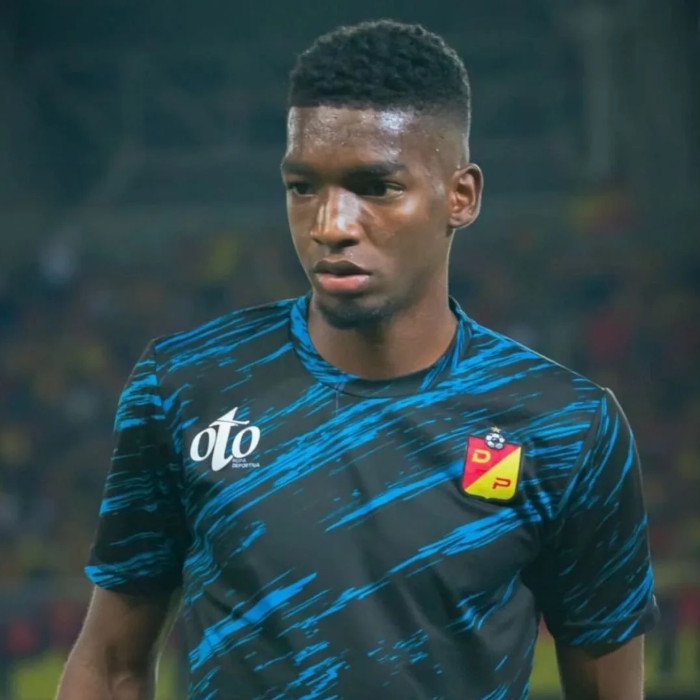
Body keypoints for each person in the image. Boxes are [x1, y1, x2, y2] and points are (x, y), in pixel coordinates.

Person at [56, 19, 658, 700]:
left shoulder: (565, 427)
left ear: (461, 196)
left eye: (376, 187)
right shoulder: (186, 385)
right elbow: (110, 665)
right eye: (303, 187)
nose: (330, 225)